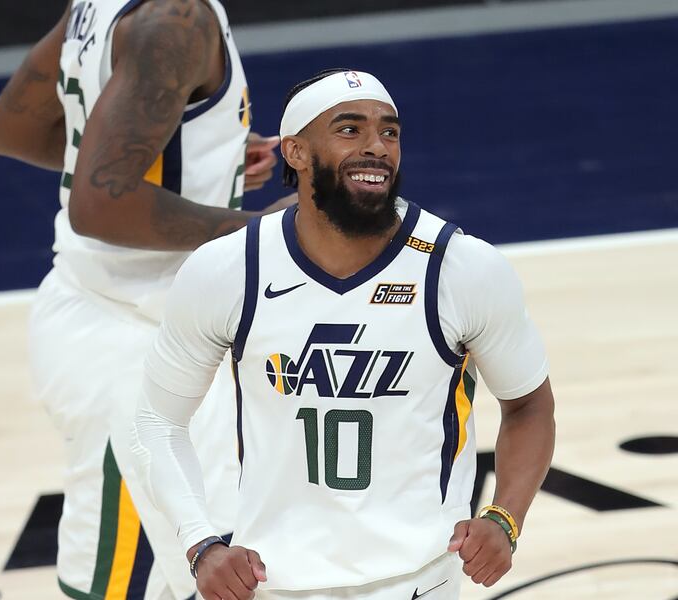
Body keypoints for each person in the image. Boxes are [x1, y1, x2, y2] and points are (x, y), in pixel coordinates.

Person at [131, 68, 556, 599]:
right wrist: (200, 544)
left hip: (422, 580)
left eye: (390, 131)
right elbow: (157, 420)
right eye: (349, 129)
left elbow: (530, 406)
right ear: (295, 152)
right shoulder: (228, 269)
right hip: (275, 584)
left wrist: (505, 518)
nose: (377, 146)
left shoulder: (462, 267)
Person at [0, 1, 293, 598]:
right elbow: (100, 202)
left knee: (144, 575)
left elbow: (16, 129)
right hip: (142, 342)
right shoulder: (174, 21)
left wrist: (200, 155)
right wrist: (262, 232)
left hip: (94, 314)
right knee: (196, 579)